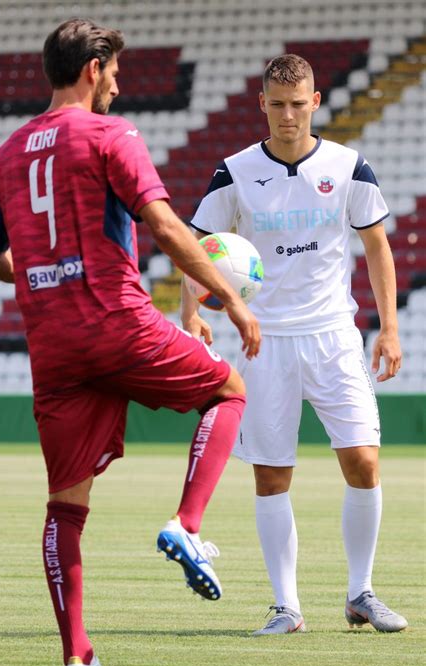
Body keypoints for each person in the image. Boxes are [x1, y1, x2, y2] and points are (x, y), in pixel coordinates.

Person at [0, 18, 261, 666]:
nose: (119, 86)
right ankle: (187, 524)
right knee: (228, 391)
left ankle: (76, 656)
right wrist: (232, 299)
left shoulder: (6, 154)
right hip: (116, 321)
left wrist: (46, 271)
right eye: (115, 73)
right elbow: (162, 224)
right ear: (92, 68)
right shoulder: (110, 134)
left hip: (52, 344)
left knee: (65, 505)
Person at [185, 54, 408, 635]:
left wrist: (388, 327)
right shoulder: (233, 172)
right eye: (277, 104)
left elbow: (377, 247)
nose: (288, 115)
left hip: (335, 334)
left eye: (298, 103)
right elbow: (198, 246)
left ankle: (361, 593)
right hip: (266, 342)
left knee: (362, 460)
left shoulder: (349, 165)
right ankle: (287, 607)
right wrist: (192, 312)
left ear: (314, 102)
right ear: (262, 104)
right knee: (271, 476)